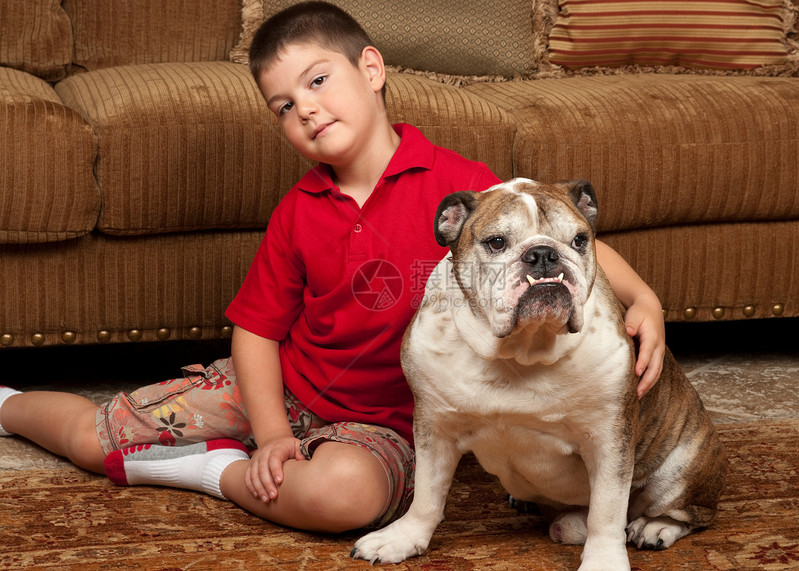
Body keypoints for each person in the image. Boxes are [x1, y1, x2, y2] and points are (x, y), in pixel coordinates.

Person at [0, 1, 665, 533]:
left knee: (342, 498)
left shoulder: (461, 186)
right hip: (283, 388)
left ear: (371, 69)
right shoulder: (298, 210)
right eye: (284, 106)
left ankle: (207, 470)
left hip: (384, 426)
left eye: (318, 81)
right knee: (96, 439)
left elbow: (555, 235)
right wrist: (270, 434)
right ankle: (8, 405)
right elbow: (258, 331)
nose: (306, 108)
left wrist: (643, 298)